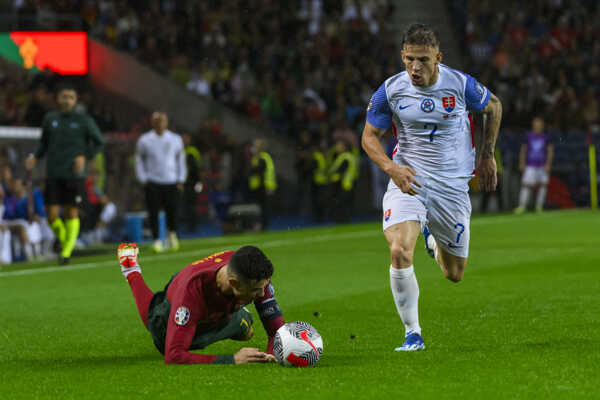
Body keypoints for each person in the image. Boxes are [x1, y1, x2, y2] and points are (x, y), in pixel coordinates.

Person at [361, 24, 503, 351]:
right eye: (409, 59)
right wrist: (391, 168)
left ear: (438, 57)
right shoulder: (390, 90)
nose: (415, 67)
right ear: (402, 56)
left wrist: (486, 154)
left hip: (452, 186)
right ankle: (413, 334)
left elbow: (493, 106)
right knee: (398, 250)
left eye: (423, 60)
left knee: (454, 274)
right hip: (410, 179)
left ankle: (434, 243)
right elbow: (369, 137)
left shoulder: (459, 84)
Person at [117, 243, 285, 364]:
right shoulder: (191, 295)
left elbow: (277, 333)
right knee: (157, 327)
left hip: (215, 305)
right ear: (233, 283)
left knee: (247, 331)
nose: (263, 294)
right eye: (257, 290)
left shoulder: (251, 271)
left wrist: (276, 356)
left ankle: (237, 316)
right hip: (180, 304)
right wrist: (232, 359)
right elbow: (174, 355)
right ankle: (131, 270)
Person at [25, 85, 105, 264]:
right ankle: (67, 242)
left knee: (71, 213)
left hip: (74, 175)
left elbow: (100, 142)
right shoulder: (50, 119)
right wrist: (35, 157)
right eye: (64, 96)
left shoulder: (84, 120)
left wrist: (85, 156)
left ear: (75, 101)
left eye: (71, 97)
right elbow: (43, 144)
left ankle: (66, 252)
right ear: (58, 99)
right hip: (53, 173)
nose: (67, 100)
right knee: (52, 215)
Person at [135, 112, 187, 252]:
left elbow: (180, 160)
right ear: (152, 122)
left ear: (167, 122)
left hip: (171, 180)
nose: (159, 123)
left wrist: (181, 178)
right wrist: (143, 178)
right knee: (153, 212)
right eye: (157, 121)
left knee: (172, 210)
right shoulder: (145, 140)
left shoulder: (175, 139)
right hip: (153, 181)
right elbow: (139, 160)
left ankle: (172, 235)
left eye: (162, 120)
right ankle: (157, 239)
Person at [514, 117, 553, 214]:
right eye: (536, 125)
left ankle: (539, 206)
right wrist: (522, 163)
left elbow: (550, 151)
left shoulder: (546, 137)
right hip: (530, 165)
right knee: (526, 185)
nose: (537, 127)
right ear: (533, 126)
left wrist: (548, 164)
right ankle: (522, 206)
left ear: (542, 127)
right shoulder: (528, 136)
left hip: (542, 165)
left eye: (539, 125)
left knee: (543, 185)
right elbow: (523, 150)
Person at [248, 139, 277, 231]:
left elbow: (258, 170)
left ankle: (263, 225)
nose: (254, 148)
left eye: (256, 146)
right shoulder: (258, 157)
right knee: (261, 207)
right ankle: (261, 225)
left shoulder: (263, 157)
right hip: (260, 186)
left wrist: (251, 170)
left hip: (264, 186)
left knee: (263, 207)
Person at [328, 139, 358, 223]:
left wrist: (330, 175)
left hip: (344, 183)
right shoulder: (348, 156)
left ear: (344, 147)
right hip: (348, 183)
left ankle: (342, 220)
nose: (337, 147)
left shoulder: (346, 157)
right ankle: (343, 220)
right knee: (343, 204)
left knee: (341, 204)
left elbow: (341, 171)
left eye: (339, 145)